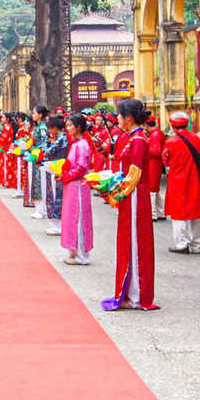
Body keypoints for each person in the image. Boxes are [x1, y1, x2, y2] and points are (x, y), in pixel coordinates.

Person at [102, 99, 157, 311]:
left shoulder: (139, 140)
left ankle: (136, 294)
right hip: (130, 195)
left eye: (119, 115)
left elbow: (134, 174)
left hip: (135, 196)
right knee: (128, 240)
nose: (117, 119)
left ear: (129, 118)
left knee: (135, 240)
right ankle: (129, 289)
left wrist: (115, 195)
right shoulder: (132, 138)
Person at [163, 111, 200, 254]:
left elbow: (165, 160)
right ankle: (197, 244)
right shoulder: (195, 138)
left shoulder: (171, 142)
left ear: (172, 126)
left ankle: (182, 243)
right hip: (194, 179)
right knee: (195, 211)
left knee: (178, 212)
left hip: (177, 180)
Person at [59, 113, 95, 265]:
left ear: (78, 127)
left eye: (70, 125)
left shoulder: (83, 145)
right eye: (66, 125)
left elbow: (81, 167)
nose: (67, 128)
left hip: (78, 186)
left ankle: (82, 255)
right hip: (71, 185)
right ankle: (73, 251)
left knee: (78, 219)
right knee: (71, 217)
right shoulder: (76, 143)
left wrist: (65, 176)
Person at [41, 115, 69, 236]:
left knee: (57, 196)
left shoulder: (61, 138)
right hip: (55, 168)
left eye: (50, 128)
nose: (49, 131)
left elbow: (47, 152)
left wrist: (44, 139)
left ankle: (58, 226)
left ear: (55, 128)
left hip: (58, 169)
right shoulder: (59, 138)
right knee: (54, 195)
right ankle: (55, 225)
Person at [146, 112, 166, 221]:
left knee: (152, 189)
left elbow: (156, 151)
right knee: (155, 189)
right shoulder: (158, 133)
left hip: (153, 164)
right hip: (156, 164)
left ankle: (153, 213)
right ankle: (161, 212)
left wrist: (145, 149)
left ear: (146, 125)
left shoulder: (154, 135)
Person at [30, 105, 49, 215]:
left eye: (34, 113)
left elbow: (44, 143)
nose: (32, 115)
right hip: (36, 157)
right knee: (37, 182)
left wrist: (35, 150)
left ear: (40, 115)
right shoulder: (39, 126)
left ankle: (41, 210)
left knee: (39, 182)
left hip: (40, 158)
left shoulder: (42, 127)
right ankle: (39, 208)